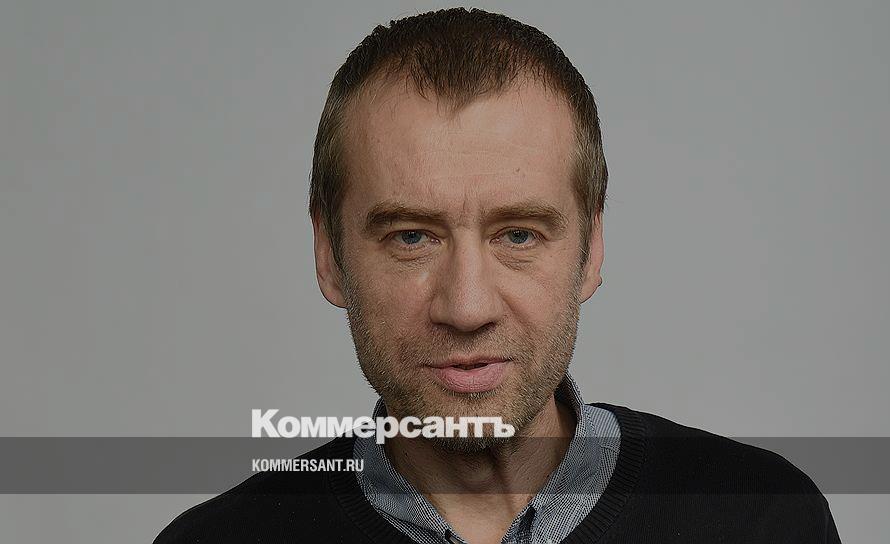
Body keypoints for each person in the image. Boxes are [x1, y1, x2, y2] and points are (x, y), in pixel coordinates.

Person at [155, 7, 840, 543]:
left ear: (592, 249)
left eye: (518, 235)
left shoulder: (761, 519)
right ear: (329, 253)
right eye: (411, 237)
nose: (467, 306)